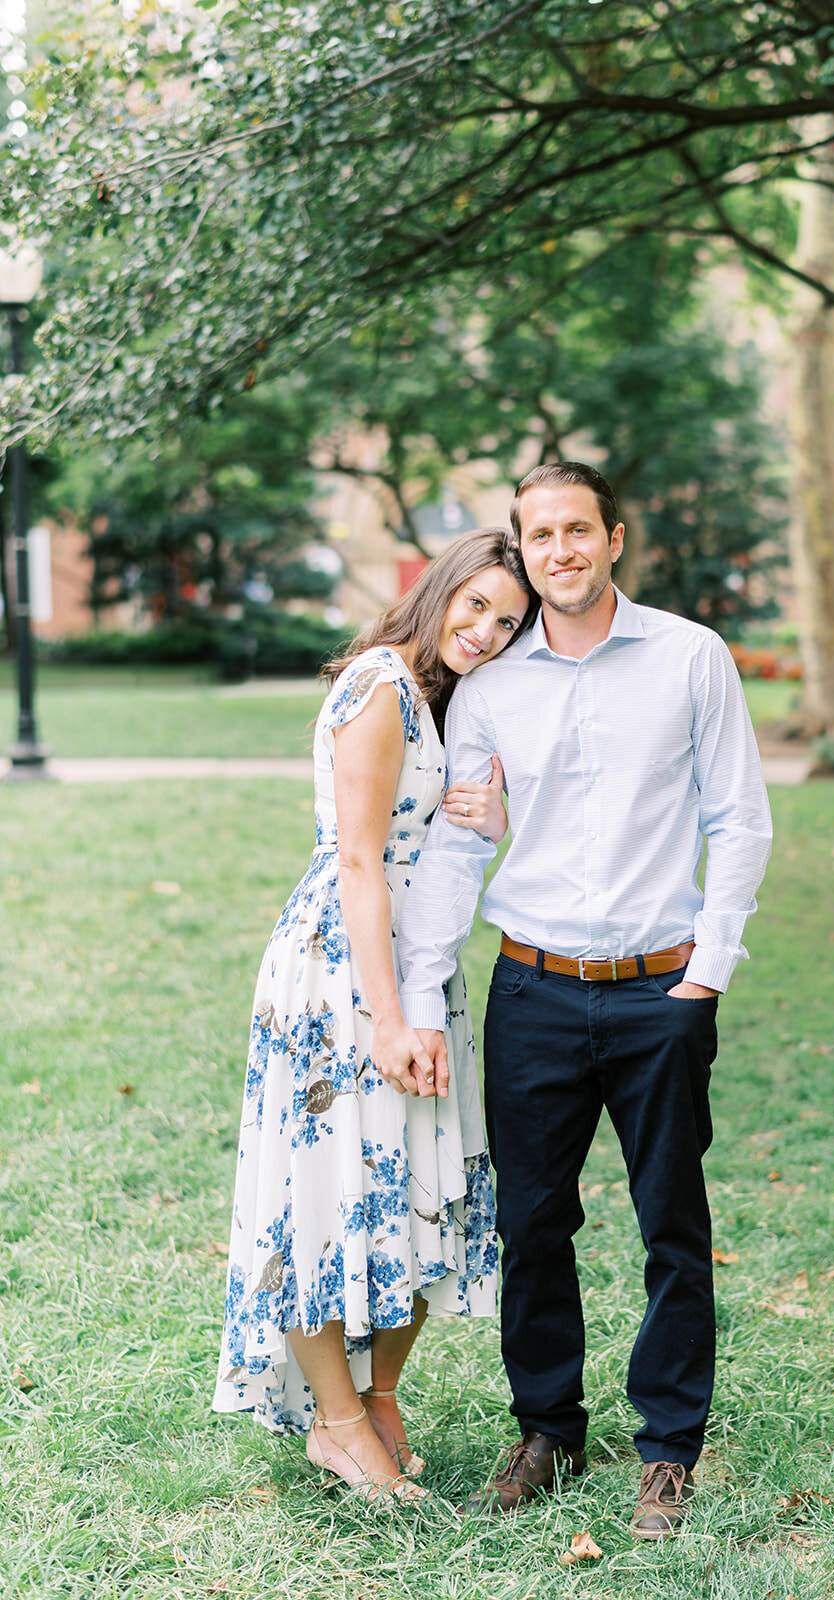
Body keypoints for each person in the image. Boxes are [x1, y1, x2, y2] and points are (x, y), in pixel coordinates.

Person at [398, 463, 773, 1537]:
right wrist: (426, 987)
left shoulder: (689, 657)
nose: (559, 549)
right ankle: (548, 1428)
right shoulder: (494, 683)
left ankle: (668, 1447)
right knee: (532, 1222)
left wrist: (708, 970)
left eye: (577, 529)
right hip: (535, 987)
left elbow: (738, 818)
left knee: (671, 1221)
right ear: (525, 547)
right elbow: (464, 842)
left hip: (662, 986)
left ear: (614, 536)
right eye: (539, 534)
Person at [212, 527, 534, 1503]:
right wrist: (389, 1020)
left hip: (414, 958)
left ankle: (379, 1396)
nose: (485, 629)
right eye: (475, 604)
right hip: (343, 969)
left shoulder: (436, 697)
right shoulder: (382, 685)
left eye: (507, 622)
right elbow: (358, 859)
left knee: (421, 1180)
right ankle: (338, 1424)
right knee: (321, 1193)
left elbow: (423, 843)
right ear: (439, 589)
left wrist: (480, 820)